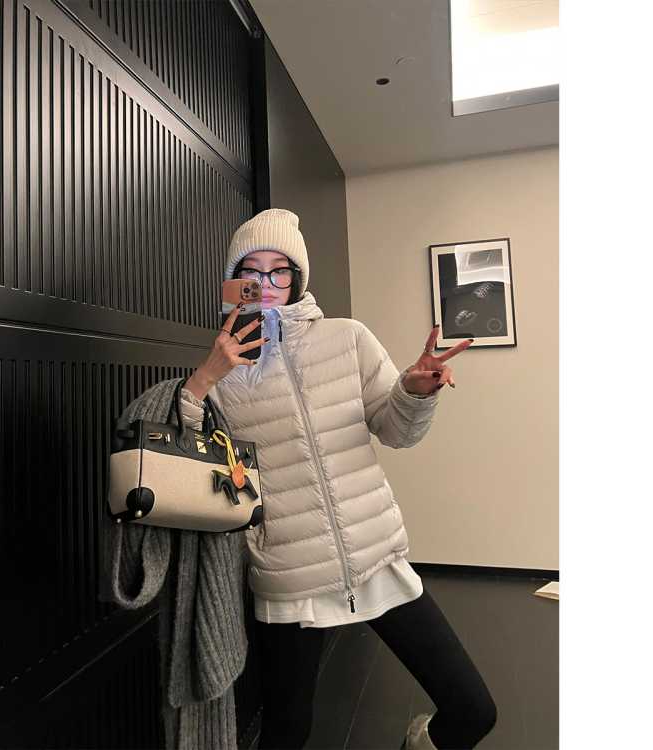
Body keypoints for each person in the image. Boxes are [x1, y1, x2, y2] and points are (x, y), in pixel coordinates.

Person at [179, 209, 497, 750]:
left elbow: (395, 431)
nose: (265, 282)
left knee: (473, 710)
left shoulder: (348, 338)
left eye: (279, 269)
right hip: (288, 573)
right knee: (286, 734)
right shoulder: (225, 369)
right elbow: (192, 464)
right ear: (234, 281)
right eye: (250, 270)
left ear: (297, 277)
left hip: (374, 555)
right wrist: (208, 376)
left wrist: (413, 393)